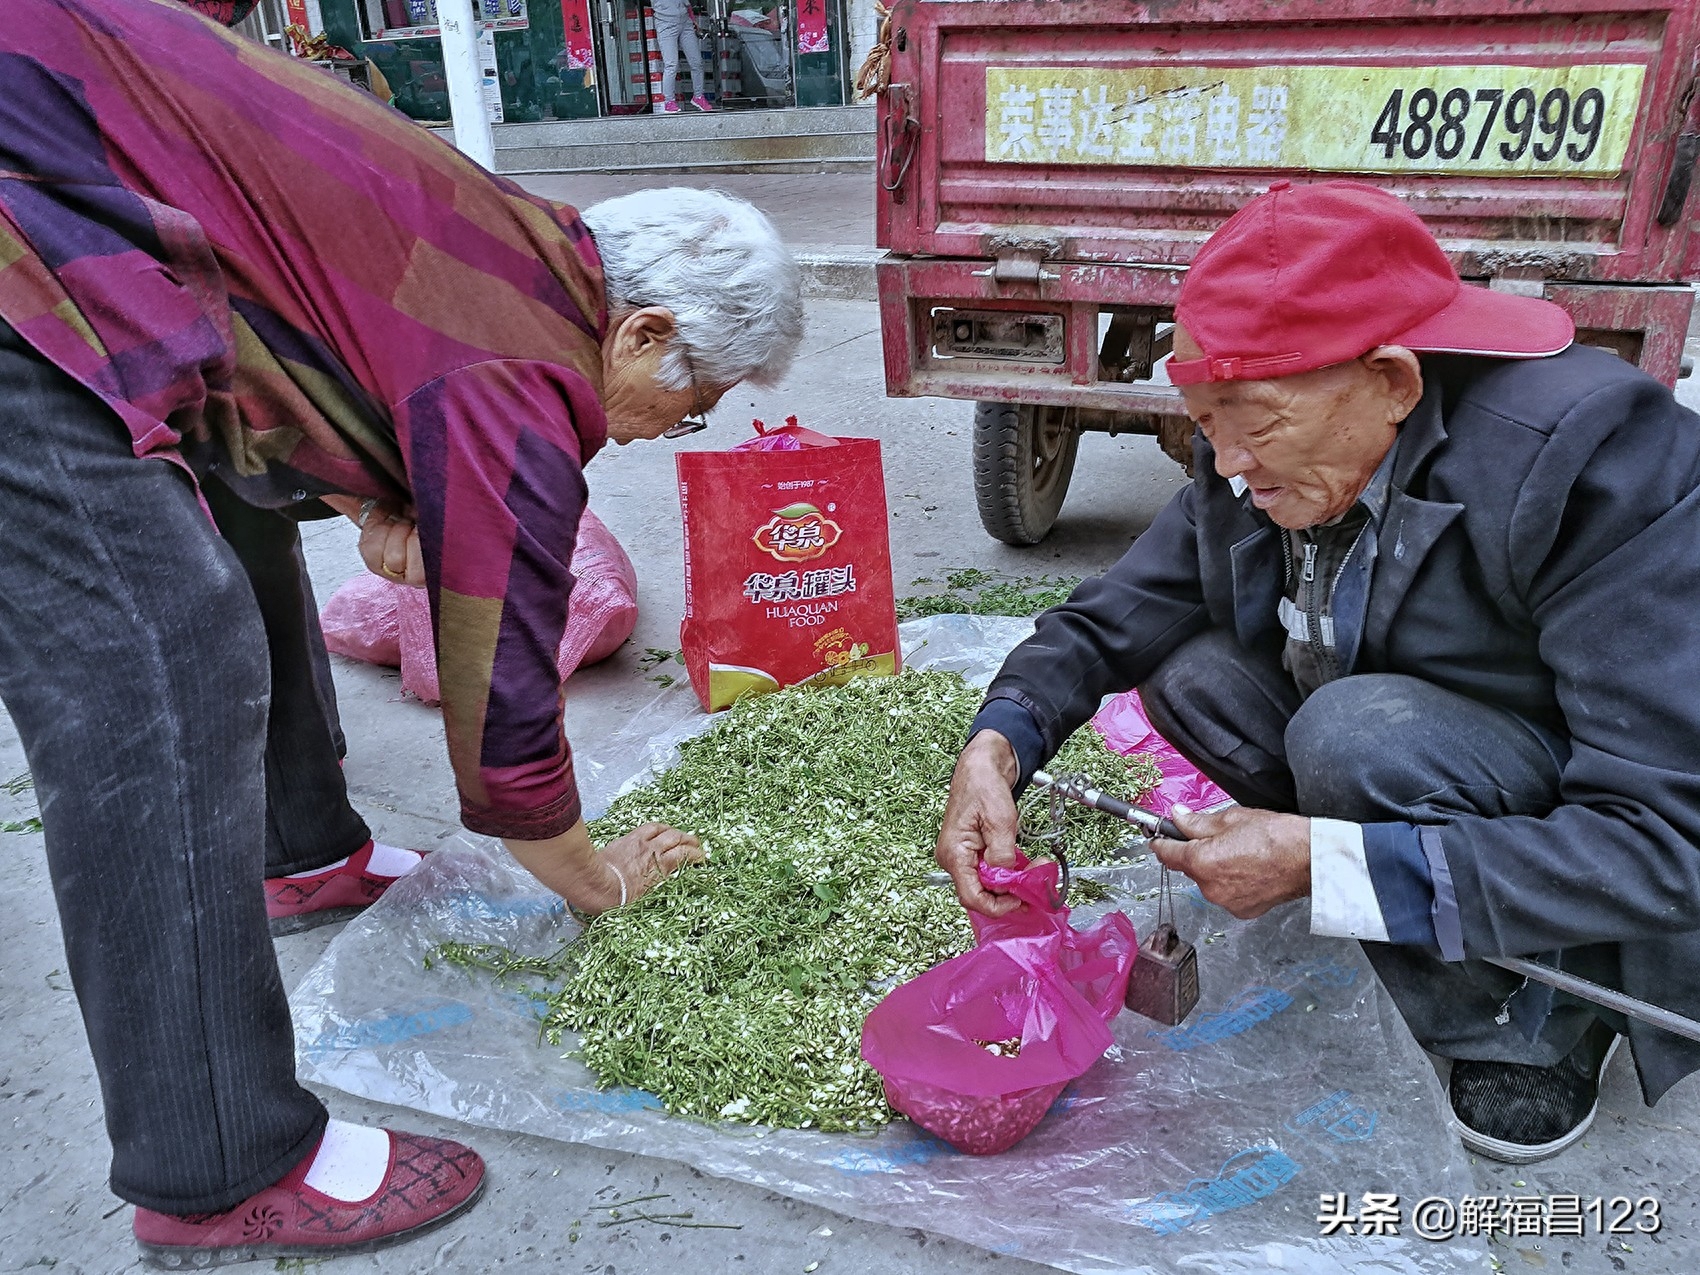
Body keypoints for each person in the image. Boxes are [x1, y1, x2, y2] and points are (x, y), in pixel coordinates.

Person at [0, 0, 801, 1265]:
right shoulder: (525, 377)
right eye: (686, 401)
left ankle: (301, 854)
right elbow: (505, 701)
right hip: (21, 247)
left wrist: (370, 483)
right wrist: (598, 883)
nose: (666, 429)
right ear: (641, 332)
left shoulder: (520, 246)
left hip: (54, 170)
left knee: (232, 543)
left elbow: (289, 328)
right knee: (162, 665)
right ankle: (217, 1161)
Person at [935, 179, 1700, 1167]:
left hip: (1581, 804)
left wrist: (1322, 864)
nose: (1227, 461)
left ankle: (1534, 1024)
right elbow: (1106, 620)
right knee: (1193, 675)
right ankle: (1406, 889)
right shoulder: (1252, 458)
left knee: (1350, 735)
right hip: (1426, 743)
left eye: (1250, 420)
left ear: (1389, 378)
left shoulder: (1591, 461)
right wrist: (996, 745)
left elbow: (1666, 843)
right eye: (1203, 422)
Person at [652, 0, 715, 113]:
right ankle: (669, 101)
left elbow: (686, 3)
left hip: (685, 21)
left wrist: (693, 20)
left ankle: (698, 96)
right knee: (671, 64)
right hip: (665, 22)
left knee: (697, 62)